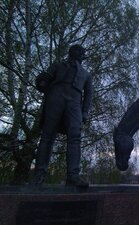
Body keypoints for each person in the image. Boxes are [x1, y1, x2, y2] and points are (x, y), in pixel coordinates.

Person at [32, 44, 92, 187]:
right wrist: (42, 83)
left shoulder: (86, 74)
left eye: (81, 53)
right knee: (47, 135)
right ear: (73, 53)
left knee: (75, 136)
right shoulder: (58, 65)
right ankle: (39, 175)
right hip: (56, 98)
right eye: (78, 52)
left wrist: (84, 112)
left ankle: (73, 176)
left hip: (74, 102)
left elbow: (89, 94)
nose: (80, 55)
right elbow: (43, 79)